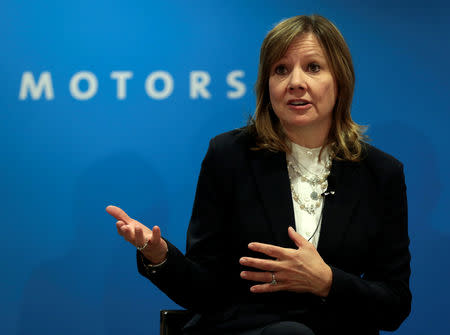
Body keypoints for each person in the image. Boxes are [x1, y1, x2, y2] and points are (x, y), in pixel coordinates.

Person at [106, 14, 411, 335]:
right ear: (268, 85)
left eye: (313, 67)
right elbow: (204, 290)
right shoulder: (230, 156)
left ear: (340, 80)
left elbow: (394, 305)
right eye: (281, 69)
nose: (295, 81)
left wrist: (327, 282)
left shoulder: (380, 173)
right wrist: (159, 255)